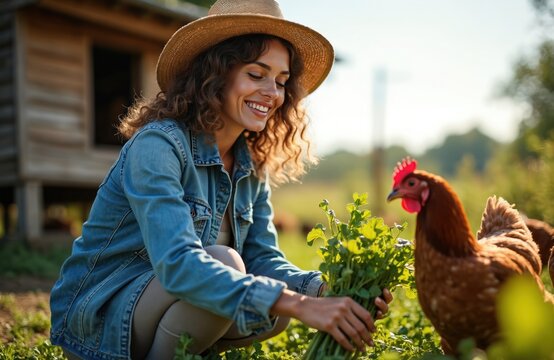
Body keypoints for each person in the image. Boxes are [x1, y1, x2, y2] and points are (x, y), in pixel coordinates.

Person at [49, 0, 393, 359]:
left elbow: (262, 258)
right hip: (99, 321)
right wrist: (297, 303)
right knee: (227, 265)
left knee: (274, 308)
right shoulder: (159, 146)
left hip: (158, 310)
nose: (272, 94)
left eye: (280, 81)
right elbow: (178, 264)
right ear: (215, 75)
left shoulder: (249, 166)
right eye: (256, 75)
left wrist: (323, 291)